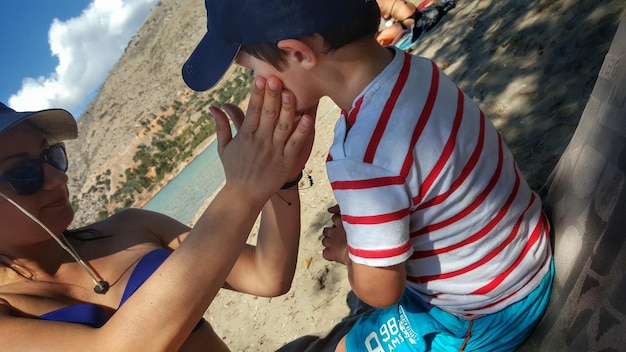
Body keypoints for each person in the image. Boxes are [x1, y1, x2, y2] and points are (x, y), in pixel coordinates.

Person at [181, 0, 554, 351]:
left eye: (252, 71)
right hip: (526, 251)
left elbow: (381, 292)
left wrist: (348, 251)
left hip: (487, 311)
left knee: (348, 346)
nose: (255, 86)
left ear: (298, 54)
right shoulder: (413, 69)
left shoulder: (359, 155)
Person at [0, 76, 314, 352]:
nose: (58, 179)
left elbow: (266, 274)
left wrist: (282, 179)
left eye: (50, 156)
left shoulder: (131, 226)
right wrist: (242, 190)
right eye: (24, 173)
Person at [376, 0, 457, 48]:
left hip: (408, 22)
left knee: (377, 39)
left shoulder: (373, 4)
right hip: (414, 11)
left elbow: (386, 18)